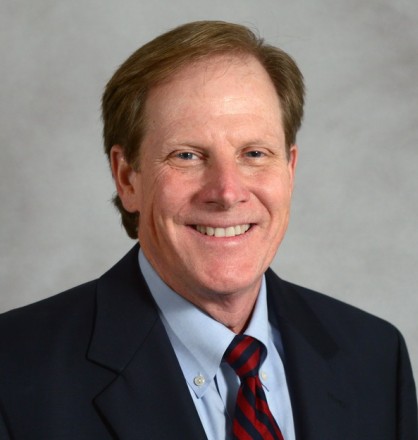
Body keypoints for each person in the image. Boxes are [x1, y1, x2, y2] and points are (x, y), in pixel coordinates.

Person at [0, 20, 416, 440]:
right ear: (127, 179)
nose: (227, 192)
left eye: (254, 153)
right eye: (187, 155)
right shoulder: (14, 370)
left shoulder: (376, 356)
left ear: (290, 169)